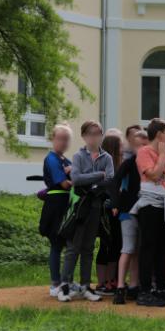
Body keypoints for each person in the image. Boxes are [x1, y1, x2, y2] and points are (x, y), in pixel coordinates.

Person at [131, 118, 165, 307]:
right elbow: (153, 174)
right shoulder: (144, 152)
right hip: (150, 206)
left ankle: (161, 289)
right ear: (160, 134)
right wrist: (162, 155)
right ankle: (145, 291)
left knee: (163, 250)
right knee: (148, 248)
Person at [58, 120, 114, 303]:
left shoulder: (107, 158)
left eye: (98, 133)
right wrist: (99, 175)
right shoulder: (78, 156)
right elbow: (76, 178)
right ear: (84, 136)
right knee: (73, 247)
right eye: (90, 133)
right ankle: (64, 285)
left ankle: (85, 285)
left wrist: (94, 181)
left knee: (88, 247)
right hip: (80, 207)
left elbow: (110, 180)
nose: (94, 137)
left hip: (96, 206)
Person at [110, 130, 147, 304]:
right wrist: (116, 203)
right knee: (128, 248)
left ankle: (134, 285)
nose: (142, 148)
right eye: (139, 145)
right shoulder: (129, 163)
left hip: (145, 211)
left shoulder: (151, 164)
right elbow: (115, 181)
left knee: (137, 250)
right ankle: (120, 287)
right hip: (127, 210)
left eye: (145, 144)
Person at [38, 123, 73, 298]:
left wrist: (73, 171)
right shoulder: (51, 159)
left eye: (67, 139)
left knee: (69, 244)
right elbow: (64, 184)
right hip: (55, 205)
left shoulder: (66, 160)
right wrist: (74, 176)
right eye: (60, 138)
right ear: (53, 139)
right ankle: (55, 283)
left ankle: (67, 281)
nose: (63, 142)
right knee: (56, 244)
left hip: (66, 204)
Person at [94, 134, 124, 296]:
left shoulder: (119, 165)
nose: (123, 148)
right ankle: (102, 282)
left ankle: (111, 280)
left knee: (116, 245)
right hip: (107, 210)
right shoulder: (104, 165)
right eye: (120, 145)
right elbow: (105, 187)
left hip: (117, 211)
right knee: (107, 245)